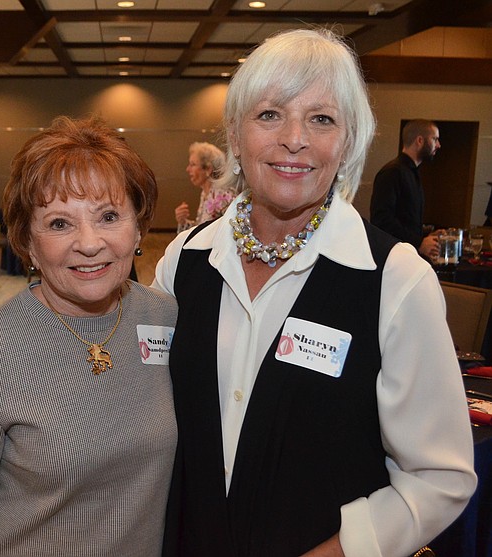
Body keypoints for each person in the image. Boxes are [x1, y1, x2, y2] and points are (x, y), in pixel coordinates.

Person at [153, 29, 475, 557]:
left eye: (322, 119)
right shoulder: (182, 263)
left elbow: (439, 477)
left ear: (347, 141)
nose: (295, 138)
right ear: (236, 135)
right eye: (270, 114)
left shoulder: (394, 279)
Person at [0, 116, 178, 557]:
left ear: (139, 227)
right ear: (28, 241)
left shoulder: (164, 318)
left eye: (108, 216)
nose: (89, 243)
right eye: (59, 223)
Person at [370, 119, 442, 260]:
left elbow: (406, 219)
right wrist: (419, 242)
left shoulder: (410, 172)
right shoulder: (393, 172)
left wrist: (426, 235)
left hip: (403, 254)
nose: (438, 145)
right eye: (435, 139)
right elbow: (381, 221)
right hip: (392, 258)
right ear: (419, 140)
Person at [174, 141, 236, 233]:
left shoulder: (223, 194)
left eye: (193, 165)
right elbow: (201, 229)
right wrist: (183, 221)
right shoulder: (206, 193)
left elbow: (234, 230)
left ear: (208, 169)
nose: (188, 169)